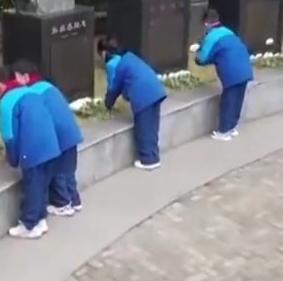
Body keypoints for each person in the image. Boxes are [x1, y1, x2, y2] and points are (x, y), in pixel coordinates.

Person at [0, 65, 61, 239]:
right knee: (43, 184)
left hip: (33, 148)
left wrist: (13, 159)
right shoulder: (30, 91)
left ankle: (29, 224)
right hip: (52, 143)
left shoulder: (7, 101)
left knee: (32, 186)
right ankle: (40, 220)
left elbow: (9, 135)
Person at [12, 59, 84, 216]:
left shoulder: (31, 93)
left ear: (25, 77)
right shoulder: (48, 86)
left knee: (58, 172)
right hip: (71, 131)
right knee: (69, 170)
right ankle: (75, 199)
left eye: (17, 77)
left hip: (58, 134)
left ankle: (62, 204)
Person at [98, 36, 168, 170]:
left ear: (104, 52)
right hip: (156, 90)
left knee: (143, 128)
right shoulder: (129, 56)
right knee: (152, 126)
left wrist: (108, 104)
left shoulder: (113, 64)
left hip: (143, 96)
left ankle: (148, 160)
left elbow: (113, 87)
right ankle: (154, 155)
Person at [193, 9, 253, 141]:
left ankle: (224, 131)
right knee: (238, 100)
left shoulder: (211, 37)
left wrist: (196, 55)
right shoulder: (228, 31)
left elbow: (202, 59)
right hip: (245, 68)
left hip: (232, 73)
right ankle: (232, 127)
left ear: (206, 23)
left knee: (228, 101)